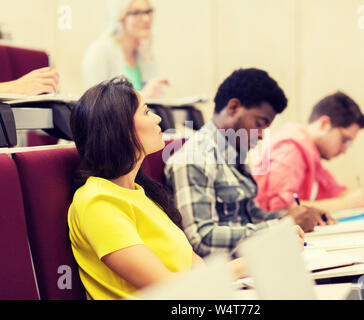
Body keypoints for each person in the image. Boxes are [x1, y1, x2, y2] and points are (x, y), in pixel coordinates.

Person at [67, 77, 248, 300]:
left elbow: (195, 267)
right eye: (146, 112)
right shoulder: (97, 202)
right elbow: (166, 288)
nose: (158, 118)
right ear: (119, 128)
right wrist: (248, 263)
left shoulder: (141, 193)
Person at [164, 68, 324, 259]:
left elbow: (249, 217)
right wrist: (281, 226)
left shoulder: (234, 154)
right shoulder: (195, 158)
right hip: (227, 276)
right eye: (259, 123)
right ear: (233, 108)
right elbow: (201, 240)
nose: (261, 134)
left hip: (251, 265)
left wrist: (297, 216)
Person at [252, 91, 364, 213]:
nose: (344, 150)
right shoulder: (290, 150)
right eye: (344, 140)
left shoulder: (310, 152)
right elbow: (277, 211)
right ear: (324, 124)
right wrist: (346, 205)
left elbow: (337, 193)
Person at [81, 0, 168, 98]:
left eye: (148, 11)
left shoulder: (142, 51)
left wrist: (148, 59)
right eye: (137, 13)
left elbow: (158, 100)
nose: (146, 18)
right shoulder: (100, 51)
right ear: (120, 17)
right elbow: (94, 104)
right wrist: (143, 96)